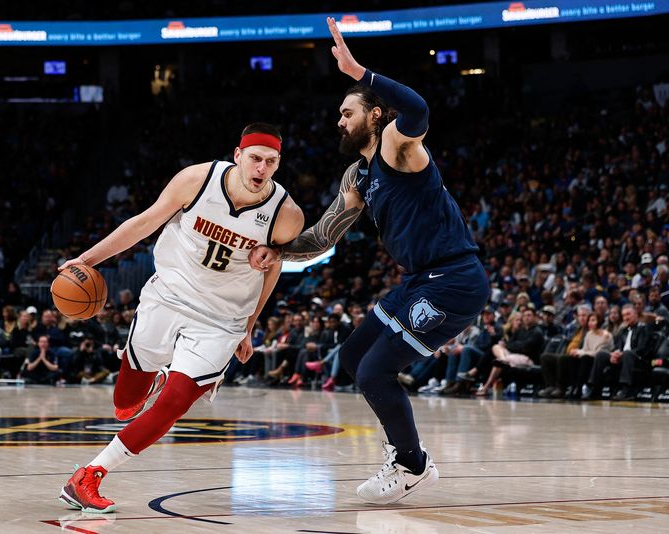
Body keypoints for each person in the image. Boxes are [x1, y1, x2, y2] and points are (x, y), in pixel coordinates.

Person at [249, 18, 488, 504]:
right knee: (355, 358)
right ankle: (406, 449)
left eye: (347, 112)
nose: (339, 121)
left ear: (376, 115)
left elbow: (419, 107)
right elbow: (321, 236)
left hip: (453, 280)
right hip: (420, 280)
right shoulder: (356, 175)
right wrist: (276, 249)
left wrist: (358, 70)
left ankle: (412, 463)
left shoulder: (400, 148)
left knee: (375, 372)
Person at [57, 123, 303, 513]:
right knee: (124, 403)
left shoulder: (286, 215)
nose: (262, 169)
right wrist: (87, 259)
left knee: (174, 403)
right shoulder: (197, 179)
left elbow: (271, 270)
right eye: (255, 158)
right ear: (237, 155)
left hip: (221, 320)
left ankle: (89, 475)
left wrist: (249, 326)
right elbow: (143, 223)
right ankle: (152, 377)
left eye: (271, 162)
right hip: (168, 296)